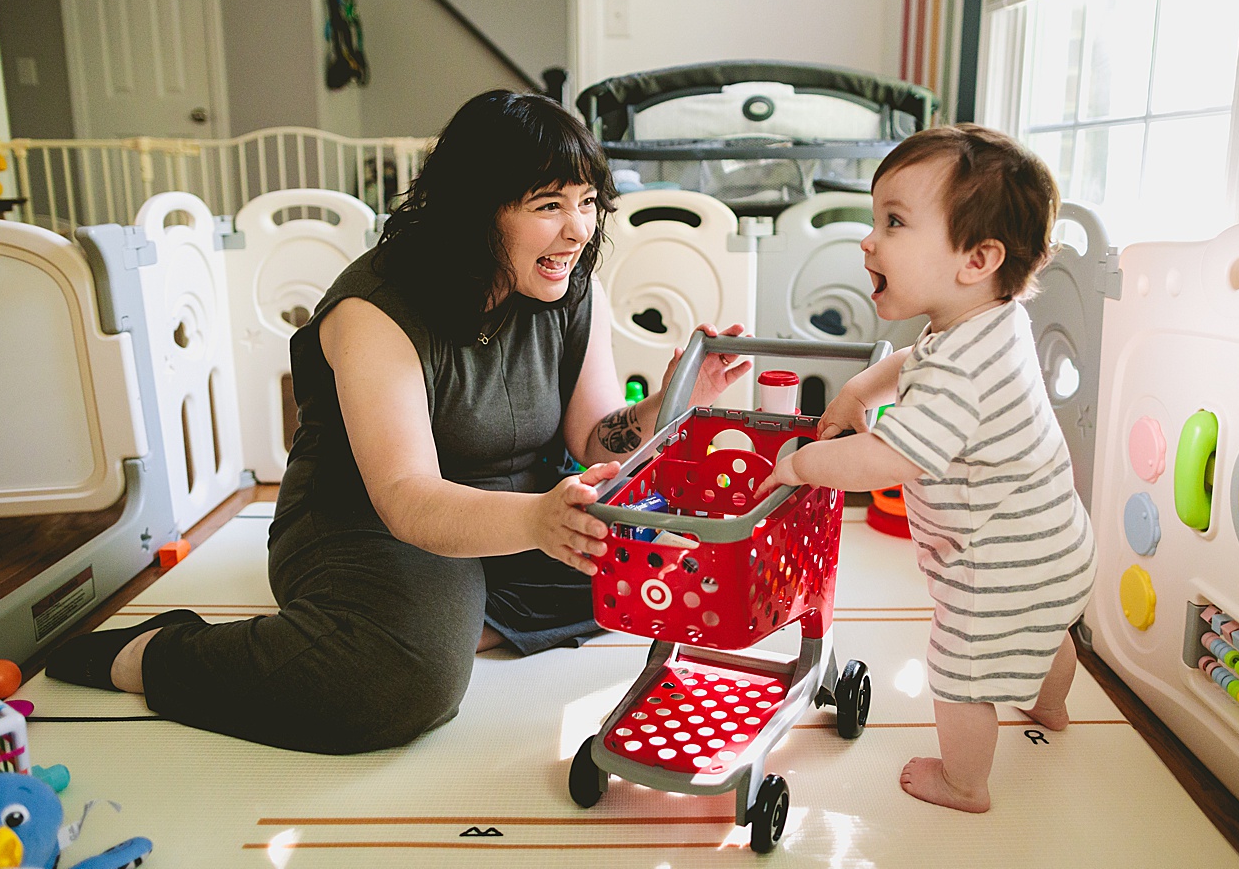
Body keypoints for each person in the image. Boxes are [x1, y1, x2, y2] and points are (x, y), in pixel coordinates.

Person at [46, 90, 751, 754]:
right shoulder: (375, 309)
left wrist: (671, 401)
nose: (577, 229)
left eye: (588, 202)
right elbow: (407, 496)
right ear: (479, 210)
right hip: (372, 525)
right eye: (548, 205)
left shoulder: (567, 284)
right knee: (407, 683)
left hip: (517, 517)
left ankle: (449, 618)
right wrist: (538, 523)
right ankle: (155, 654)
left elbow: (595, 438)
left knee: (668, 565)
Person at [755, 124, 1096, 813]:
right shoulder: (987, 322)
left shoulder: (959, 371)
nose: (869, 239)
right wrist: (860, 390)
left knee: (961, 672)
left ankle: (964, 782)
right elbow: (915, 362)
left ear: (977, 258)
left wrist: (805, 465)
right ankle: (1051, 705)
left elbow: (890, 455)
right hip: (1056, 548)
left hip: (992, 566)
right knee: (1046, 626)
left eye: (895, 222)